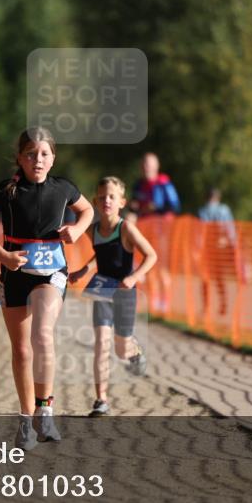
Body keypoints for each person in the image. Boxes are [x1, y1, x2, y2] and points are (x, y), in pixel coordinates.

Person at [0, 127, 93, 450]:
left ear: (53, 159)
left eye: (44, 154)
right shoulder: (6, 191)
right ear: (20, 158)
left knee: (42, 335)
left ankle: (46, 410)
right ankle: (26, 419)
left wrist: (78, 229)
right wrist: (4, 256)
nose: (37, 160)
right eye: (31, 154)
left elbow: (88, 210)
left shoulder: (64, 188)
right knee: (22, 350)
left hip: (51, 273)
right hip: (15, 274)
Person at [69, 177, 158, 417]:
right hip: (102, 292)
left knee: (121, 350)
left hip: (125, 294)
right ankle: (101, 400)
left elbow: (151, 255)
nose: (106, 200)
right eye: (102, 197)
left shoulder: (126, 228)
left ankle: (134, 352)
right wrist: (81, 271)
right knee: (101, 346)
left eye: (111, 197)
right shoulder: (93, 229)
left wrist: (133, 277)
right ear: (96, 202)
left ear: (122, 202)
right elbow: (100, 256)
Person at [131, 153, 180, 314]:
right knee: (147, 267)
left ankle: (164, 302)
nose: (147, 168)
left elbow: (175, 207)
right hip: (143, 233)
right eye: (144, 164)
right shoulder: (138, 185)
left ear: (156, 167)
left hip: (161, 233)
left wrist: (156, 209)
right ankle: (152, 301)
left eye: (150, 164)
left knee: (161, 266)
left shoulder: (164, 184)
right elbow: (134, 207)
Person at [198, 188, 237, 316]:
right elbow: (230, 229)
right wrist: (231, 243)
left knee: (208, 278)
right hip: (215, 249)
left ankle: (210, 306)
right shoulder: (221, 210)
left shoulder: (204, 211)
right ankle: (219, 304)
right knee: (215, 278)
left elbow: (200, 233)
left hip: (210, 249)